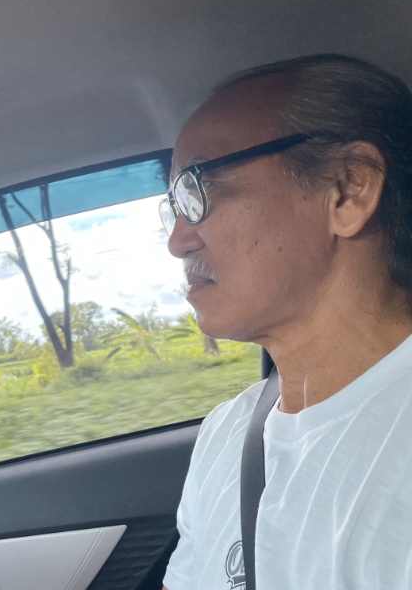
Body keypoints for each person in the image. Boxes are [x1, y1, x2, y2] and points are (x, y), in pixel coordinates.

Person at [159, 54, 412, 589]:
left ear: (348, 189)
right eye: (173, 205)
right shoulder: (226, 434)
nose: (178, 240)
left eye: (199, 189)